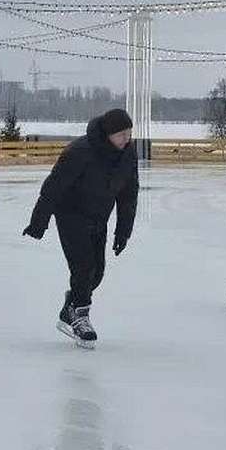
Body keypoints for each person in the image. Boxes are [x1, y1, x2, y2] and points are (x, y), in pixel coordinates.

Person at [23, 109, 139, 347]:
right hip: (71, 215)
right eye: (122, 134)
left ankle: (71, 308)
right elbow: (53, 188)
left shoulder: (128, 154)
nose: (127, 139)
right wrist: (38, 222)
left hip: (99, 217)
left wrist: (123, 231)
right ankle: (80, 318)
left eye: (129, 133)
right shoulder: (80, 152)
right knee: (84, 267)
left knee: (96, 273)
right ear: (108, 134)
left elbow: (129, 195)